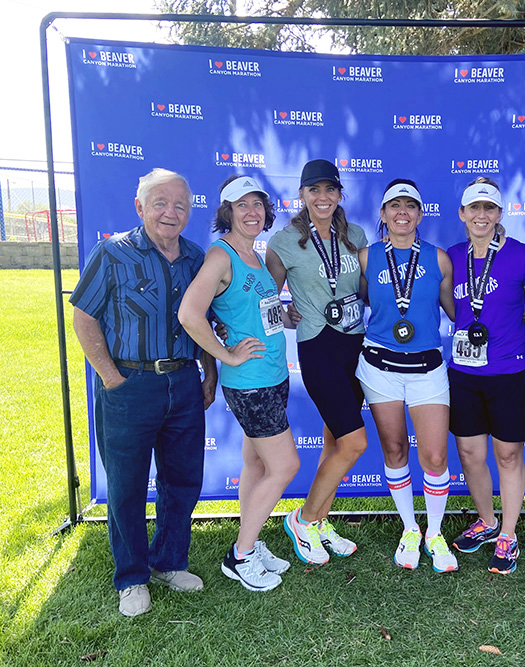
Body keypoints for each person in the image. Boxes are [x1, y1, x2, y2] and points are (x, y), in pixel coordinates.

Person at [70, 168, 217, 617]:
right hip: (129, 385)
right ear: (140, 207)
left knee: (183, 480)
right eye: (160, 203)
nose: (170, 212)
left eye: (180, 205)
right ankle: (132, 577)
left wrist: (208, 373)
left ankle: (169, 561)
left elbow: (206, 320)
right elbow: (83, 317)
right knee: (128, 485)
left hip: (184, 383)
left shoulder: (196, 258)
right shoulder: (112, 253)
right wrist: (112, 378)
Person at [179, 175, 298, 593]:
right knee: (285, 467)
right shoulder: (222, 255)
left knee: (257, 464)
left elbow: (251, 310)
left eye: (258, 204)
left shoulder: (255, 254)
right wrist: (227, 355)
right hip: (250, 382)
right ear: (226, 211)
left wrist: (283, 318)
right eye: (241, 205)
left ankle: (250, 538)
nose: (252, 212)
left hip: (272, 374)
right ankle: (241, 555)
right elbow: (190, 314)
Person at [265, 159, 369, 564]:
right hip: (317, 345)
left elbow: (365, 287)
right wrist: (284, 313)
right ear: (302, 196)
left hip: (355, 344)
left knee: (334, 440)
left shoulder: (355, 234)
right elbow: (266, 294)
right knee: (355, 441)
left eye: (330, 190)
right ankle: (304, 519)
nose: (322, 198)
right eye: (314, 190)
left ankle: (322, 521)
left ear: (340, 194)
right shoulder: (284, 240)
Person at [355, 178, 457, 572]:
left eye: (410, 206)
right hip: (379, 367)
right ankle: (410, 527)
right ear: (383, 215)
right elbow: (352, 300)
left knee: (434, 455)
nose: (402, 212)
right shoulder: (366, 257)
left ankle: (434, 531)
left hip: (427, 367)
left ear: (419, 213)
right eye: (394, 206)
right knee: (395, 450)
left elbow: (455, 312)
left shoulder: (439, 259)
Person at [445, 177, 525, 574]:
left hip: (511, 370)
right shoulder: (451, 256)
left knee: (508, 453)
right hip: (464, 371)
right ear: (463, 215)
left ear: (499, 214)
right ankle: (487, 521)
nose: (481, 216)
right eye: (474, 209)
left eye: (489, 209)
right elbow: (452, 309)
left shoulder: (521, 255)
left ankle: (509, 534)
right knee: (469, 452)